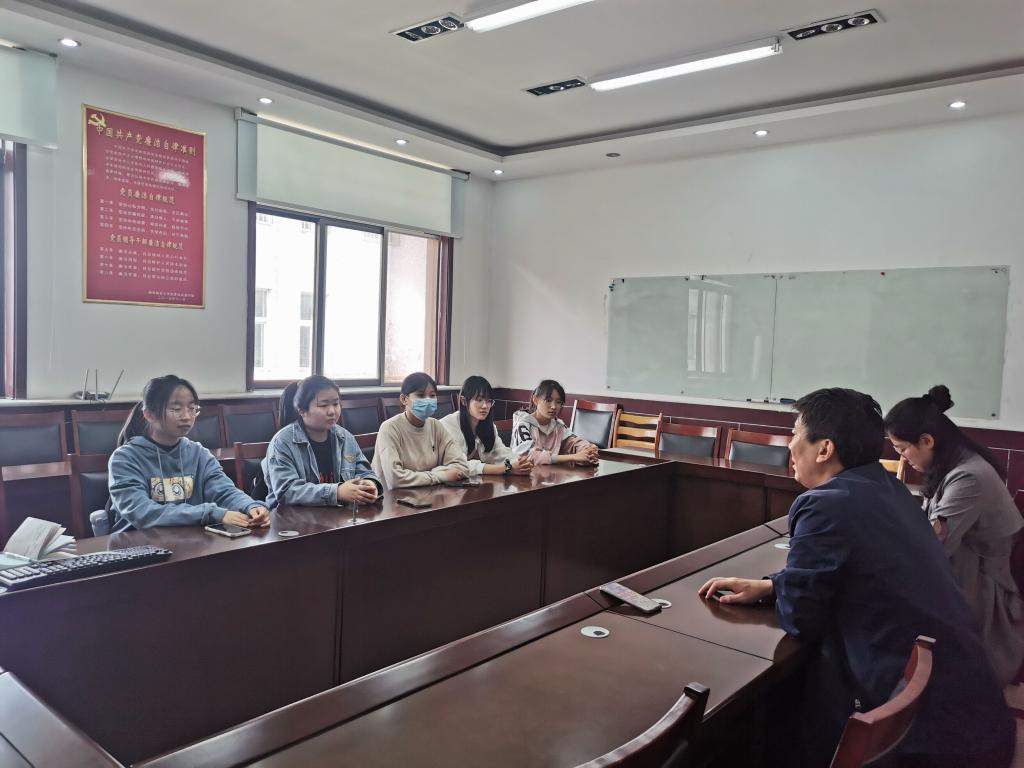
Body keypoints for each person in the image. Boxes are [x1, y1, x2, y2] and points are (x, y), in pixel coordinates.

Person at [697, 388, 1013, 768]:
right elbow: (859, 571)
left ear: (824, 449)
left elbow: (801, 616)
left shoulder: (823, 504)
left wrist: (788, 591)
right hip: (971, 714)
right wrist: (774, 585)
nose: (790, 445)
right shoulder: (888, 488)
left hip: (926, 740)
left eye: (795, 433)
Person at [885, 385, 1024, 685]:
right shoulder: (953, 465)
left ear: (927, 441)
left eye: (902, 449)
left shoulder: (969, 476)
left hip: (981, 593)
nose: (903, 458)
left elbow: (932, 547)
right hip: (961, 574)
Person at [108, 375, 269, 532]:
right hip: (137, 543)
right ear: (149, 414)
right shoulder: (125, 458)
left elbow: (224, 491)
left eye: (192, 409)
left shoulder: (199, 454)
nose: (186, 417)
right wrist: (211, 513)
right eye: (176, 409)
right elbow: (142, 512)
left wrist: (250, 506)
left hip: (191, 541)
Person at [262, 376, 382, 510]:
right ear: (302, 410)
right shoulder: (282, 442)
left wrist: (370, 483)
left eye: (336, 404)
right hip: (292, 518)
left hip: (336, 516)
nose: (332, 411)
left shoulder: (345, 437)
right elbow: (286, 491)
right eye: (323, 405)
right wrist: (336, 492)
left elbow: (365, 472)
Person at [371, 372, 469, 490]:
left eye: (432, 395)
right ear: (404, 399)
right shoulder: (389, 428)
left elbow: (462, 466)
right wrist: (442, 475)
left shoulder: (436, 426)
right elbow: (394, 479)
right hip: (391, 497)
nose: (427, 400)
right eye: (421, 395)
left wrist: (428, 476)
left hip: (428, 492)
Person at [439, 375, 533, 476]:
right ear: (464, 401)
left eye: (488, 401)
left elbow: (501, 453)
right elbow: (459, 465)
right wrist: (507, 468)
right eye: (479, 400)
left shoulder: (488, 426)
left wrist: (521, 462)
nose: (485, 406)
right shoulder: (449, 425)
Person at [509, 379, 599, 466]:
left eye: (559, 402)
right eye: (548, 400)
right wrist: (573, 457)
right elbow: (528, 456)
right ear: (535, 400)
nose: (553, 406)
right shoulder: (523, 424)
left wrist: (588, 451)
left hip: (550, 474)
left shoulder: (558, 425)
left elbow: (575, 442)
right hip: (523, 475)